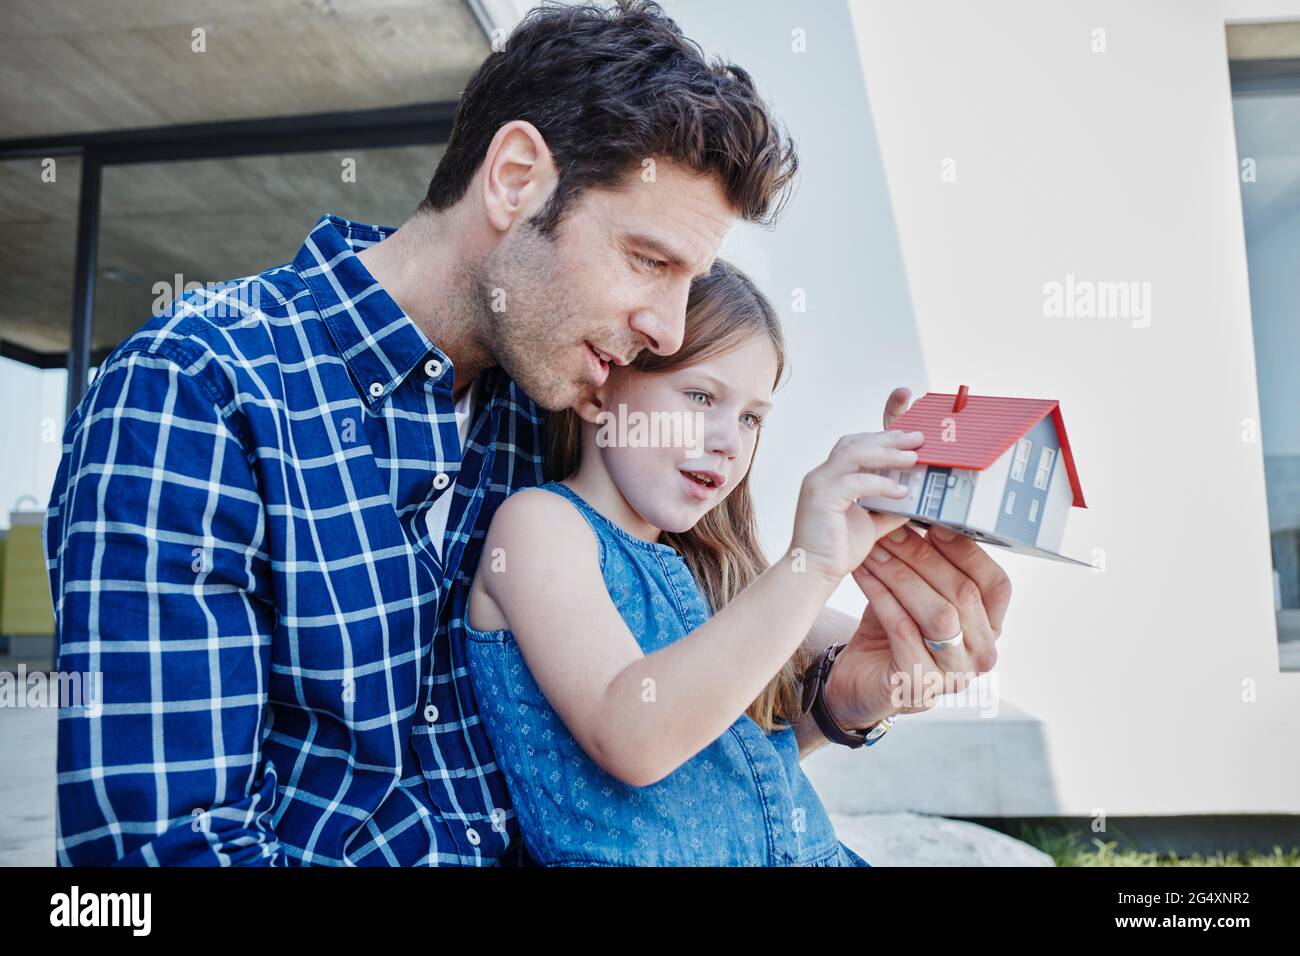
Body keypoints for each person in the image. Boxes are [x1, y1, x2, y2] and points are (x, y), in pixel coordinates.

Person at [44, 0, 1010, 867]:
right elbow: (160, 854)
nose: (669, 331)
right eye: (646, 259)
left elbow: (663, 732)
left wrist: (850, 693)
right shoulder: (198, 388)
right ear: (514, 178)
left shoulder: (565, 399)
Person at [464, 258, 920, 865]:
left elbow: (875, 652)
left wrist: (918, 628)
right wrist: (810, 564)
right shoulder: (540, 527)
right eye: (702, 396)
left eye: (752, 417)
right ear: (599, 390)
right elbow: (634, 735)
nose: (729, 441)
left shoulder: (723, 572)